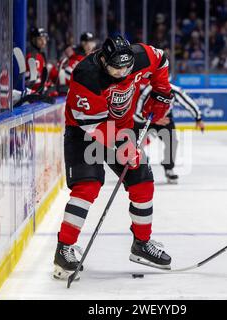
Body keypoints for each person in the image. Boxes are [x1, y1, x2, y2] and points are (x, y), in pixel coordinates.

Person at [54, 36, 174, 281]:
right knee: (87, 186)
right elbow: (94, 126)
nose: (122, 72)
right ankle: (63, 250)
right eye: (115, 68)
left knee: (142, 180)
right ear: (103, 60)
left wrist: (161, 92)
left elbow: (161, 58)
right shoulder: (87, 75)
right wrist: (123, 147)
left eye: (126, 67)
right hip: (84, 130)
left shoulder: (139, 57)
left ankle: (141, 244)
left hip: (122, 129)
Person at [134, 82, 205, 184]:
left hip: (165, 119)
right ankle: (136, 167)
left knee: (172, 142)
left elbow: (187, 102)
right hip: (146, 119)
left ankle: (169, 169)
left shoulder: (174, 90)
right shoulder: (147, 91)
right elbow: (137, 112)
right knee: (136, 143)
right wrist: (153, 120)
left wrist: (198, 118)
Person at [25, 27, 57, 94]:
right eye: (40, 39)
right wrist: (46, 86)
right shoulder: (33, 56)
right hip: (34, 95)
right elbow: (33, 81)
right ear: (33, 40)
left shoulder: (41, 54)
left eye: (44, 39)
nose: (43, 42)